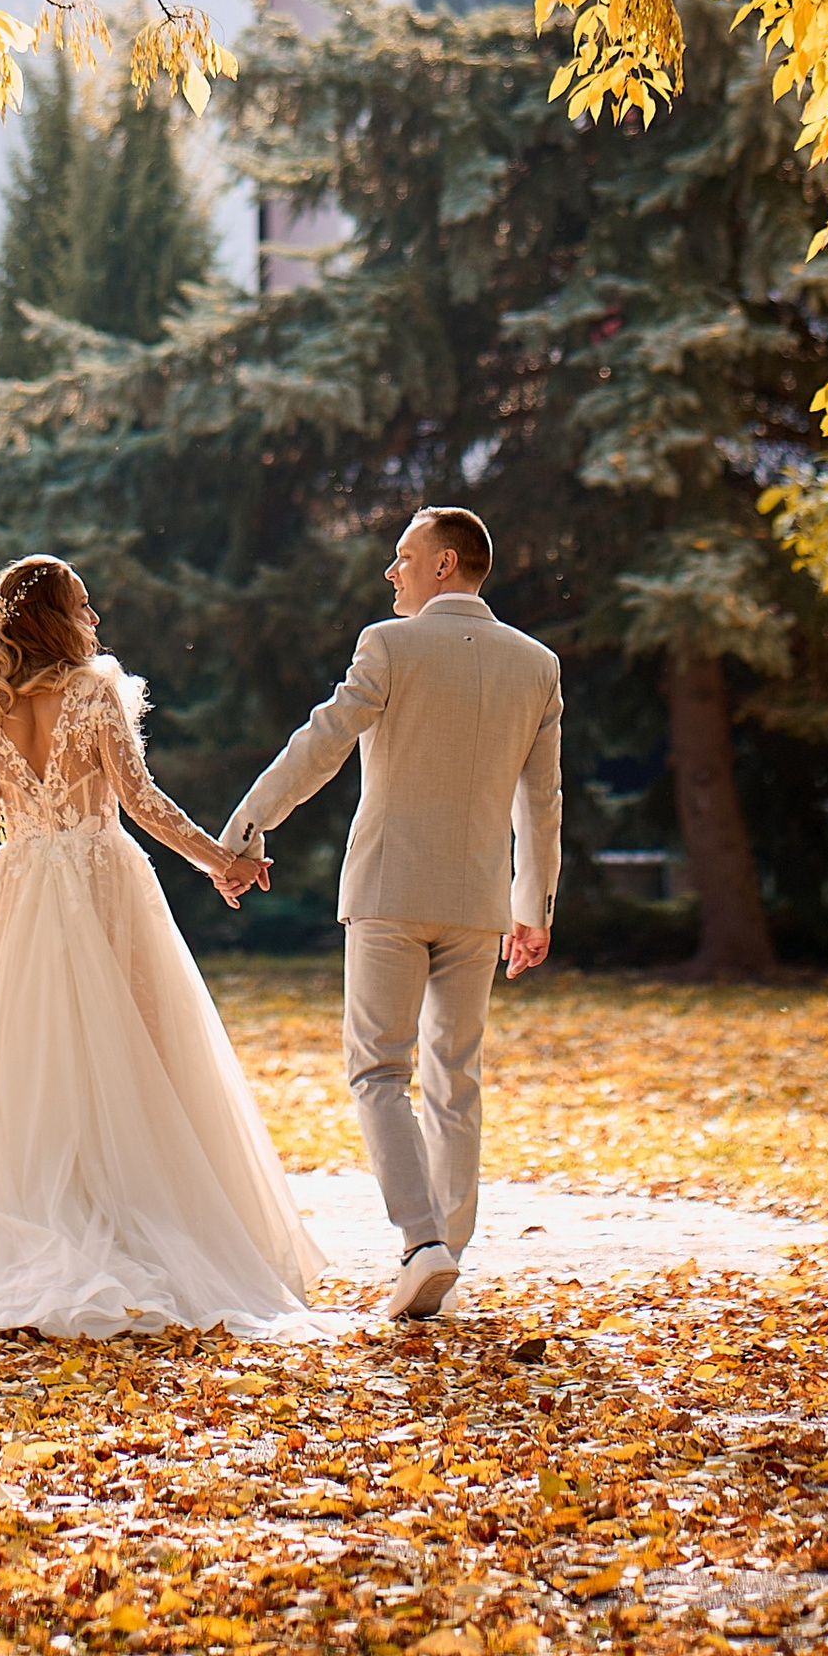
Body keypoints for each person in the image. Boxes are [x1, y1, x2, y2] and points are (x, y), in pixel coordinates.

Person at [0, 554, 320, 1340]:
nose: (95, 618)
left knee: (15, 1054)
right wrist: (221, 859)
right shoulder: (91, 691)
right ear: (52, 614)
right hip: (99, 880)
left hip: (18, 887)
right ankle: (126, 1209)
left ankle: (19, 1215)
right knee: (128, 1045)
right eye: (83, 604)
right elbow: (140, 799)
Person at [221, 506, 561, 1323]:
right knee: (456, 1077)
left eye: (403, 556)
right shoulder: (536, 663)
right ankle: (448, 1251)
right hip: (479, 900)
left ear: (444, 564)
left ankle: (422, 1242)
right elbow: (542, 799)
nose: (391, 571)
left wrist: (246, 829)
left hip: (388, 893)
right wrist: (534, 905)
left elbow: (321, 742)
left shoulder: (388, 644)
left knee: (377, 1070)